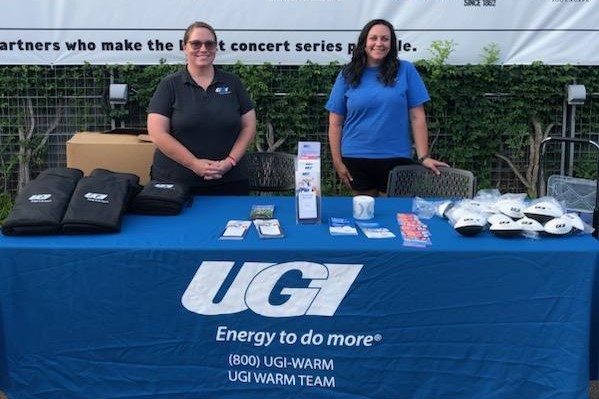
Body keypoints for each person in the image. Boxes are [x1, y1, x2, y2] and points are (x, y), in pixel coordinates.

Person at [325, 19, 448, 197]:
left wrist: (423, 157)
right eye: (373, 38)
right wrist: (337, 162)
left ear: (392, 43)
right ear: (364, 42)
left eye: (385, 39)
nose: (379, 43)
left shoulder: (406, 70)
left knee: (394, 217)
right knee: (364, 215)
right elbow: (335, 123)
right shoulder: (347, 75)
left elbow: (417, 117)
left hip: (397, 159)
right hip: (356, 159)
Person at [147, 21, 256, 195]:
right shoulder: (169, 85)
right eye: (196, 43)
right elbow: (157, 133)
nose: (203, 48)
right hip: (176, 183)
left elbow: (249, 126)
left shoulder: (233, 82)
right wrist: (194, 164)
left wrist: (230, 161)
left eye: (209, 43)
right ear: (185, 47)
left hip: (230, 181)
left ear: (215, 47)